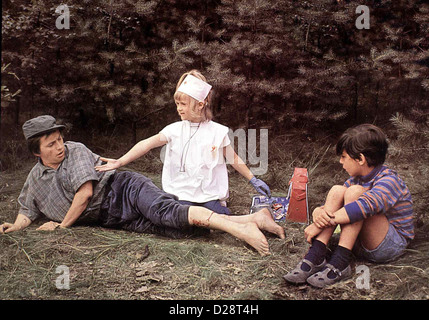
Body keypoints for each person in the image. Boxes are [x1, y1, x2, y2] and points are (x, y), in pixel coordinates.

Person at [0, 115, 285, 257]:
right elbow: (28, 207)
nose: (60, 146)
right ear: (36, 153)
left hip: (125, 190)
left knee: (167, 212)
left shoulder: (74, 150)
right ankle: (253, 218)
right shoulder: (34, 180)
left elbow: (84, 193)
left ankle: (239, 229)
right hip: (113, 218)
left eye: (60, 139)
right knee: (175, 230)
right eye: (51, 145)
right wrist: (16, 225)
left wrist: (61, 226)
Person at [95, 70, 271, 215]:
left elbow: (234, 159)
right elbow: (146, 144)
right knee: (183, 218)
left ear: (200, 104)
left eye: (183, 104)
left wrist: (253, 179)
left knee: (219, 217)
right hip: (181, 193)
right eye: (177, 103)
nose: (179, 108)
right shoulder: (174, 130)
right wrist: (120, 161)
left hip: (208, 194)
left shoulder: (217, 131)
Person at [283, 124, 414, 288]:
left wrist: (319, 225)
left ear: (360, 159)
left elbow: (365, 207)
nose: (340, 161)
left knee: (354, 194)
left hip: (389, 245)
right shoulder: (355, 180)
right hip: (360, 241)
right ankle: (315, 256)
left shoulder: (389, 180)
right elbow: (335, 210)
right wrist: (318, 212)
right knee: (338, 190)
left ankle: (341, 261)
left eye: (344, 157)